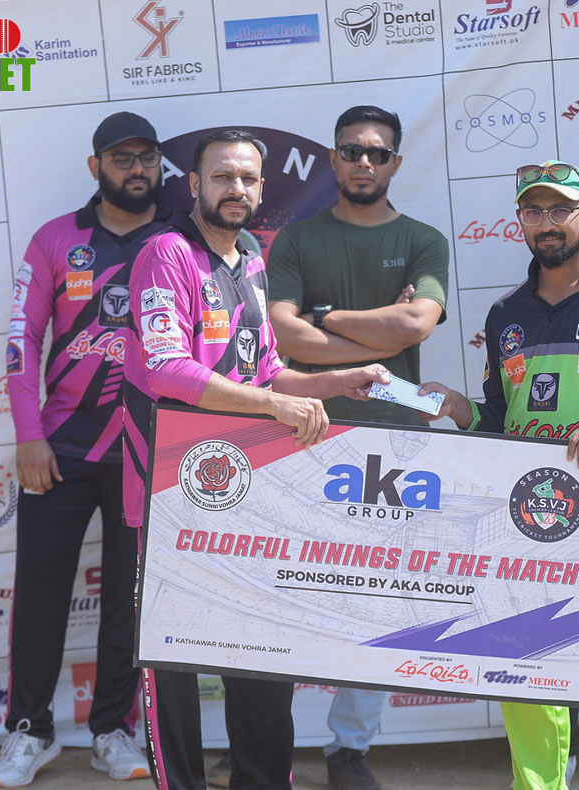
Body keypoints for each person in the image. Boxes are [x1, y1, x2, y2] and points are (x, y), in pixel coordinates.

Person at [122, 129, 389, 790]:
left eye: (246, 178)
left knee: (262, 649)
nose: (235, 188)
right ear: (194, 185)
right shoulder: (166, 253)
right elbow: (166, 369)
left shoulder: (249, 258)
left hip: (244, 490)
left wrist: (340, 380)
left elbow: (265, 371)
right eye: (221, 176)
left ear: (262, 189)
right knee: (172, 663)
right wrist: (273, 405)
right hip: (167, 491)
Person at [420, 161, 579, 790]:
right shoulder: (504, 315)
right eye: (534, 211)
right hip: (523, 526)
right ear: (520, 222)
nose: (547, 223)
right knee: (525, 676)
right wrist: (457, 407)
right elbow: (498, 417)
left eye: (561, 210)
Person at [264, 104, 449, 790]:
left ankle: (348, 750)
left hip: (397, 441)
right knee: (283, 592)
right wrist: (377, 336)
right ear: (332, 158)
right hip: (303, 433)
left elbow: (415, 324)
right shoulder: (295, 241)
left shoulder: (424, 240)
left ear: (395, 161)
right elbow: (284, 340)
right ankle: (262, 744)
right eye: (351, 150)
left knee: (377, 601)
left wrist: (325, 317)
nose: (363, 162)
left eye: (376, 152)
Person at [0, 111, 168, 787]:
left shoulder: (178, 240)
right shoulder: (55, 239)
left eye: (146, 157)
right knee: (40, 590)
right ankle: (28, 731)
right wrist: (29, 435)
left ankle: (112, 730)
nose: (136, 170)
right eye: (122, 158)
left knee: (127, 598)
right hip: (60, 449)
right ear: (96, 167)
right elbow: (22, 341)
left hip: (147, 451)